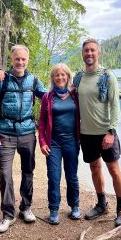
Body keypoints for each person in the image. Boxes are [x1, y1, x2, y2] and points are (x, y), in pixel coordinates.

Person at [0, 44, 46, 233]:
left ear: (27, 60)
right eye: (17, 59)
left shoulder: (34, 81)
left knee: (28, 171)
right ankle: (8, 214)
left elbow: (48, 98)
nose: (20, 62)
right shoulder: (1, 80)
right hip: (5, 133)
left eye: (23, 59)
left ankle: (26, 207)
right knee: (5, 174)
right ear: (12, 59)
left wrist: (70, 91)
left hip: (28, 132)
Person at [74, 38, 121, 227]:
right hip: (87, 133)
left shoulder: (108, 76)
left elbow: (115, 105)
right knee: (94, 168)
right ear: (83, 53)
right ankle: (102, 203)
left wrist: (111, 131)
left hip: (106, 132)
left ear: (99, 53)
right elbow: (65, 93)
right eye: (86, 50)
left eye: (92, 51)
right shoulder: (78, 77)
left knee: (114, 169)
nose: (89, 54)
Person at [38, 63, 80, 225]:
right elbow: (41, 122)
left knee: (72, 176)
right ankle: (54, 209)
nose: (60, 77)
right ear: (53, 78)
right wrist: (42, 142)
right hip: (53, 144)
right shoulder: (47, 97)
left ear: (68, 77)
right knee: (54, 178)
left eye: (63, 75)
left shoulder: (75, 95)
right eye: (57, 75)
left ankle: (74, 205)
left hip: (71, 142)